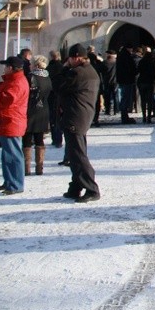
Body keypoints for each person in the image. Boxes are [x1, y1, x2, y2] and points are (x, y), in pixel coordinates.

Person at [52, 43, 101, 203]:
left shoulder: (78, 73)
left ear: (77, 58)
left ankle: (91, 188)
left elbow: (58, 85)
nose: (68, 61)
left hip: (75, 116)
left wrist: (64, 69)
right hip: (80, 115)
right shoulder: (88, 70)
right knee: (75, 153)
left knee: (78, 155)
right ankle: (76, 187)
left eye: (70, 59)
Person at [0, 56, 30, 195]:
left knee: (13, 155)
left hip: (12, 122)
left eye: (6, 66)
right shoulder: (12, 80)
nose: (4, 68)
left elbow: (7, 100)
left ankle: (16, 184)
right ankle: (9, 181)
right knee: (7, 155)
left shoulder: (17, 82)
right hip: (8, 121)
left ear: (11, 68)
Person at [23, 55, 52, 176]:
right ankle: (39, 167)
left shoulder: (31, 77)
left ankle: (27, 167)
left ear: (35, 64)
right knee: (40, 139)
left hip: (30, 109)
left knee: (27, 139)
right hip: (43, 109)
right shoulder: (47, 77)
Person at [47, 50, 65, 149]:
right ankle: (58, 139)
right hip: (60, 95)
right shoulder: (62, 67)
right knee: (59, 118)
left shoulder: (48, 68)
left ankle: (55, 139)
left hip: (51, 95)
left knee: (53, 118)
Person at [116, 43, 137, 124]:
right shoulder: (127, 56)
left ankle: (124, 116)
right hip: (127, 80)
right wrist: (135, 72)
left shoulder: (121, 55)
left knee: (124, 98)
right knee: (125, 98)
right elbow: (131, 68)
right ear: (129, 48)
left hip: (122, 80)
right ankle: (124, 117)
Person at [136, 46, 155, 123]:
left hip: (142, 82)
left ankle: (144, 117)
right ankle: (148, 117)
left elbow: (137, 71)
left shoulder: (141, 61)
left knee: (143, 100)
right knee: (149, 101)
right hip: (149, 83)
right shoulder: (152, 63)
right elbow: (154, 73)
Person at [87, 46, 103, 127]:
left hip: (87, 87)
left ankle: (89, 119)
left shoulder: (86, 65)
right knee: (96, 104)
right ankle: (96, 119)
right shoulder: (98, 64)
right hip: (97, 86)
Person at [101, 50, 119, 115]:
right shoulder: (117, 62)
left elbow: (101, 71)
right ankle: (116, 110)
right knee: (115, 96)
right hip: (115, 81)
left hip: (107, 81)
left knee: (107, 97)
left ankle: (107, 110)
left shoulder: (105, 62)